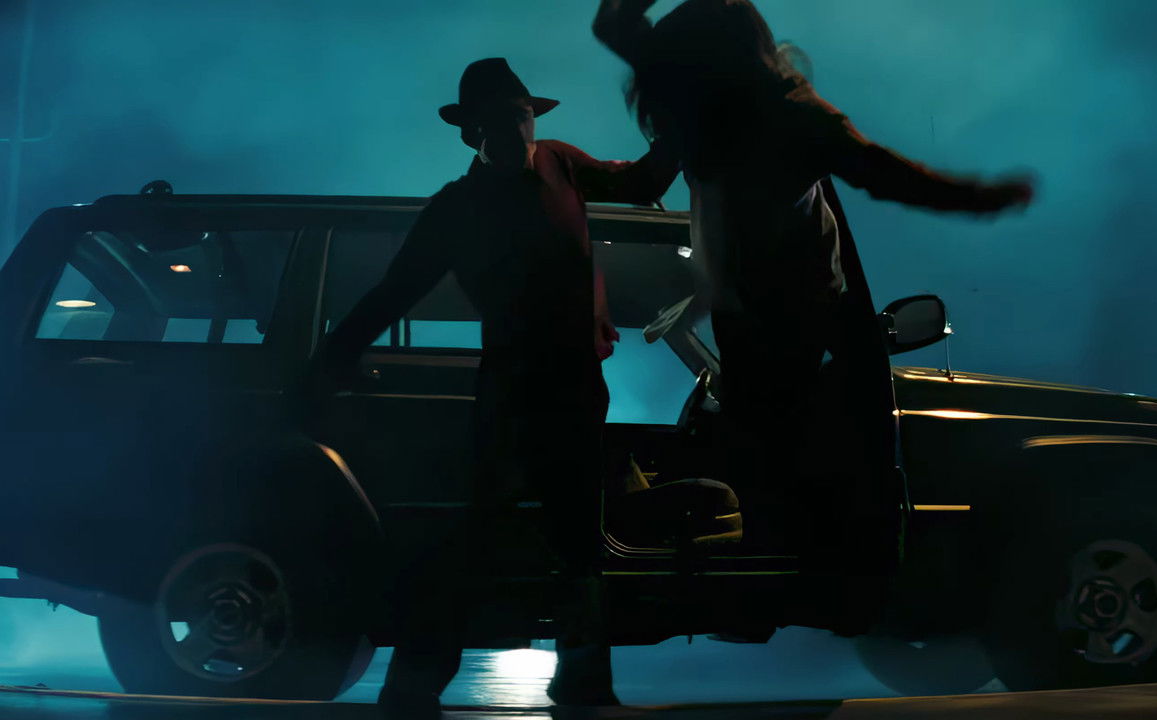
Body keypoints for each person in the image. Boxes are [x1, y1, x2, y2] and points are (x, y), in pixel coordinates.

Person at [593, 0, 1034, 629]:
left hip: (764, 318)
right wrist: (983, 199)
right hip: (793, 320)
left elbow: (615, 26)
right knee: (811, 466)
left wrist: (980, 199)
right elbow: (883, 173)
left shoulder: (703, 108)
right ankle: (808, 588)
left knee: (776, 460)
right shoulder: (776, 113)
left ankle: (774, 586)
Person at [306, 57, 678, 716]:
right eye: (504, 118)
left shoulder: (559, 162)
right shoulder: (456, 207)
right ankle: (416, 683)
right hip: (512, 390)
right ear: (472, 129)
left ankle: (582, 683)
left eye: (522, 114)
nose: (517, 128)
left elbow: (642, 182)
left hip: (575, 387)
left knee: (578, 540)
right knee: (475, 539)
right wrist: (331, 360)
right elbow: (394, 291)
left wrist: (680, 127)